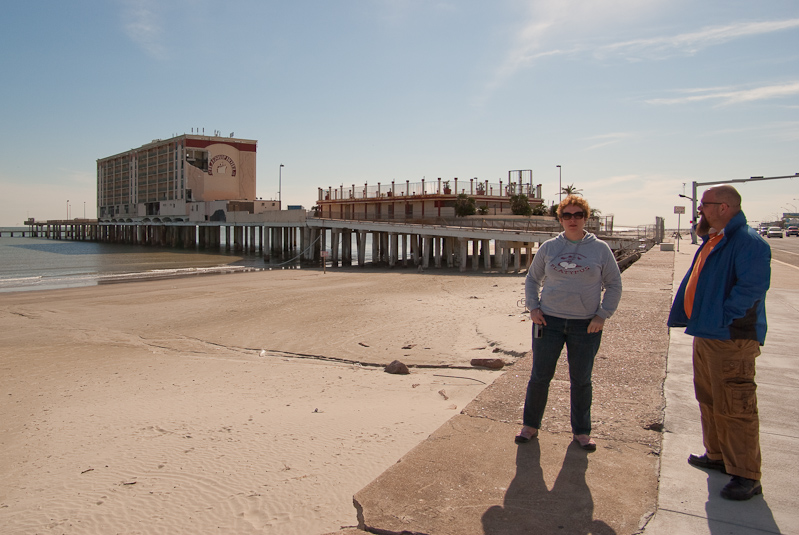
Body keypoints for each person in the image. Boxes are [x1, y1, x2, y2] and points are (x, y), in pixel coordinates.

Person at [667, 185, 771, 501]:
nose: (700, 209)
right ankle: (717, 455)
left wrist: (724, 316)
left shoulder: (748, 242)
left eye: (704, 205)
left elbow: (752, 287)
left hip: (730, 337)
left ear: (724, 207)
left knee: (736, 406)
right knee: (710, 397)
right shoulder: (717, 238)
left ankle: (746, 475)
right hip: (709, 333)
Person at [516, 195, 622, 451]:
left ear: (586, 218)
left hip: (585, 326)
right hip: (547, 322)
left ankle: (582, 432)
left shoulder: (600, 249)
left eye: (578, 215)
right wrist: (533, 307)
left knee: (581, 379)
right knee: (540, 377)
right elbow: (532, 279)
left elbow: (614, 284)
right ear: (560, 219)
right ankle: (530, 426)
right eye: (567, 215)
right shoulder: (550, 247)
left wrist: (602, 314)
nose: (572, 220)